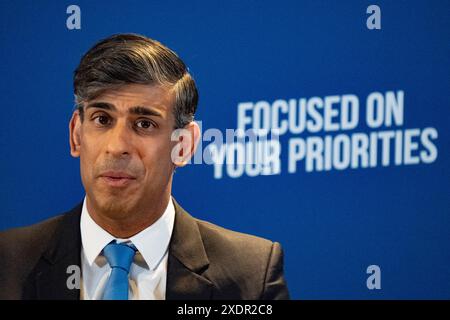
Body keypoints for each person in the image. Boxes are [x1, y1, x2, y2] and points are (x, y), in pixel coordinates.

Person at [0, 33, 289, 300]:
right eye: (102, 119)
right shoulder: (7, 262)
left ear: (184, 145)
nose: (116, 146)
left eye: (144, 124)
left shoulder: (251, 276)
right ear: (76, 135)